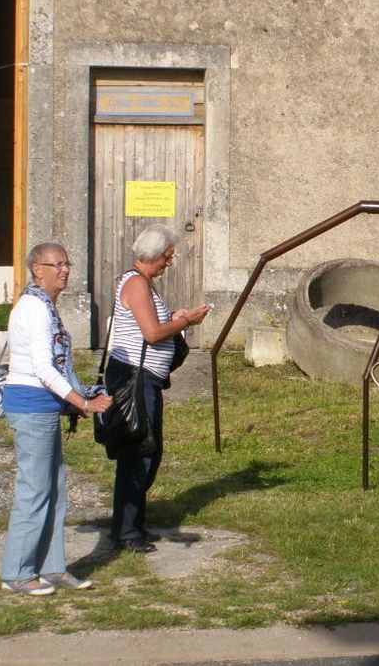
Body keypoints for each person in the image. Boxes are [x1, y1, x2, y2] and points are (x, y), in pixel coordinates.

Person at [0, 243, 113, 595]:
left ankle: (51, 568)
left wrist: (82, 399)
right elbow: (43, 368)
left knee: (56, 492)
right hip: (31, 405)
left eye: (68, 262)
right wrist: (82, 403)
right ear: (38, 269)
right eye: (57, 264)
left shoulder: (46, 307)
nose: (65, 269)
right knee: (34, 491)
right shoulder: (33, 309)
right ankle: (16, 574)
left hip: (44, 406)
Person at [105, 224, 210, 553]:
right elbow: (151, 334)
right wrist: (185, 322)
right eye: (167, 256)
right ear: (152, 256)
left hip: (143, 377)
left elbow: (150, 328)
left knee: (146, 451)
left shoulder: (142, 283)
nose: (169, 262)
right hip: (135, 378)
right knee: (140, 454)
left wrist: (175, 318)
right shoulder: (137, 284)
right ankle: (126, 531)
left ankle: (131, 524)